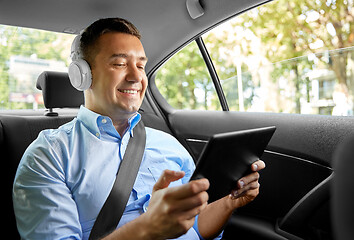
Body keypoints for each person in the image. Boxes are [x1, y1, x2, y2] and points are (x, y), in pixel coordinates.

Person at [13, 18, 265, 240]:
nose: (136, 77)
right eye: (120, 64)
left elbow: (196, 228)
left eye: (141, 65)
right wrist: (147, 228)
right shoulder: (48, 155)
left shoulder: (169, 145)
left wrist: (229, 203)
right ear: (82, 75)